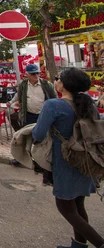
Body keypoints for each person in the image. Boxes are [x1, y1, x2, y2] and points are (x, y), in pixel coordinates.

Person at [32, 68, 104, 248]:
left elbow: (38, 134)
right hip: (86, 160)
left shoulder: (53, 105)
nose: (56, 80)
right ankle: (79, 245)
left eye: (58, 78)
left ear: (64, 85)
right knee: (78, 206)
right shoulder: (88, 104)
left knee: (66, 208)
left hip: (65, 162)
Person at [9, 63, 57, 127]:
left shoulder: (47, 85)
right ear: (27, 74)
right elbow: (18, 95)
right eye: (33, 74)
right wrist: (12, 102)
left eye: (37, 73)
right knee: (29, 134)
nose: (36, 75)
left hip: (44, 115)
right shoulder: (23, 85)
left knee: (44, 135)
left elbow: (55, 99)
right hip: (29, 116)